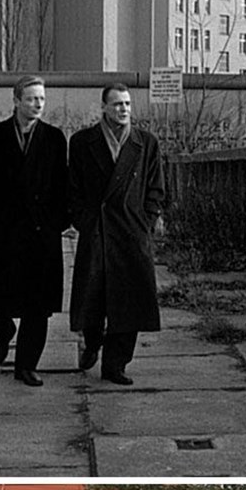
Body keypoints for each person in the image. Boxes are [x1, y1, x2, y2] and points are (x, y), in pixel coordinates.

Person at [0, 76, 69, 387]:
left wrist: (57, 222)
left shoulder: (53, 139)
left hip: (40, 236)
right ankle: (3, 332)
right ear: (16, 101)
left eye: (41, 99)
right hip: (3, 233)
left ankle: (26, 366)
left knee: (38, 307)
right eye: (31, 99)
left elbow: (61, 186)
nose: (38, 104)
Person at [68, 82, 166, 385]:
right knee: (93, 298)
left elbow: (156, 188)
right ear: (104, 108)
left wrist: (145, 222)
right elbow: (73, 188)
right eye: (117, 105)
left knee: (130, 303)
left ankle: (116, 365)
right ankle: (91, 342)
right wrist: (84, 220)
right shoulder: (83, 142)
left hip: (130, 233)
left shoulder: (145, 143)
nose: (123, 110)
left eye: (127, 104)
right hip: (97, 230)